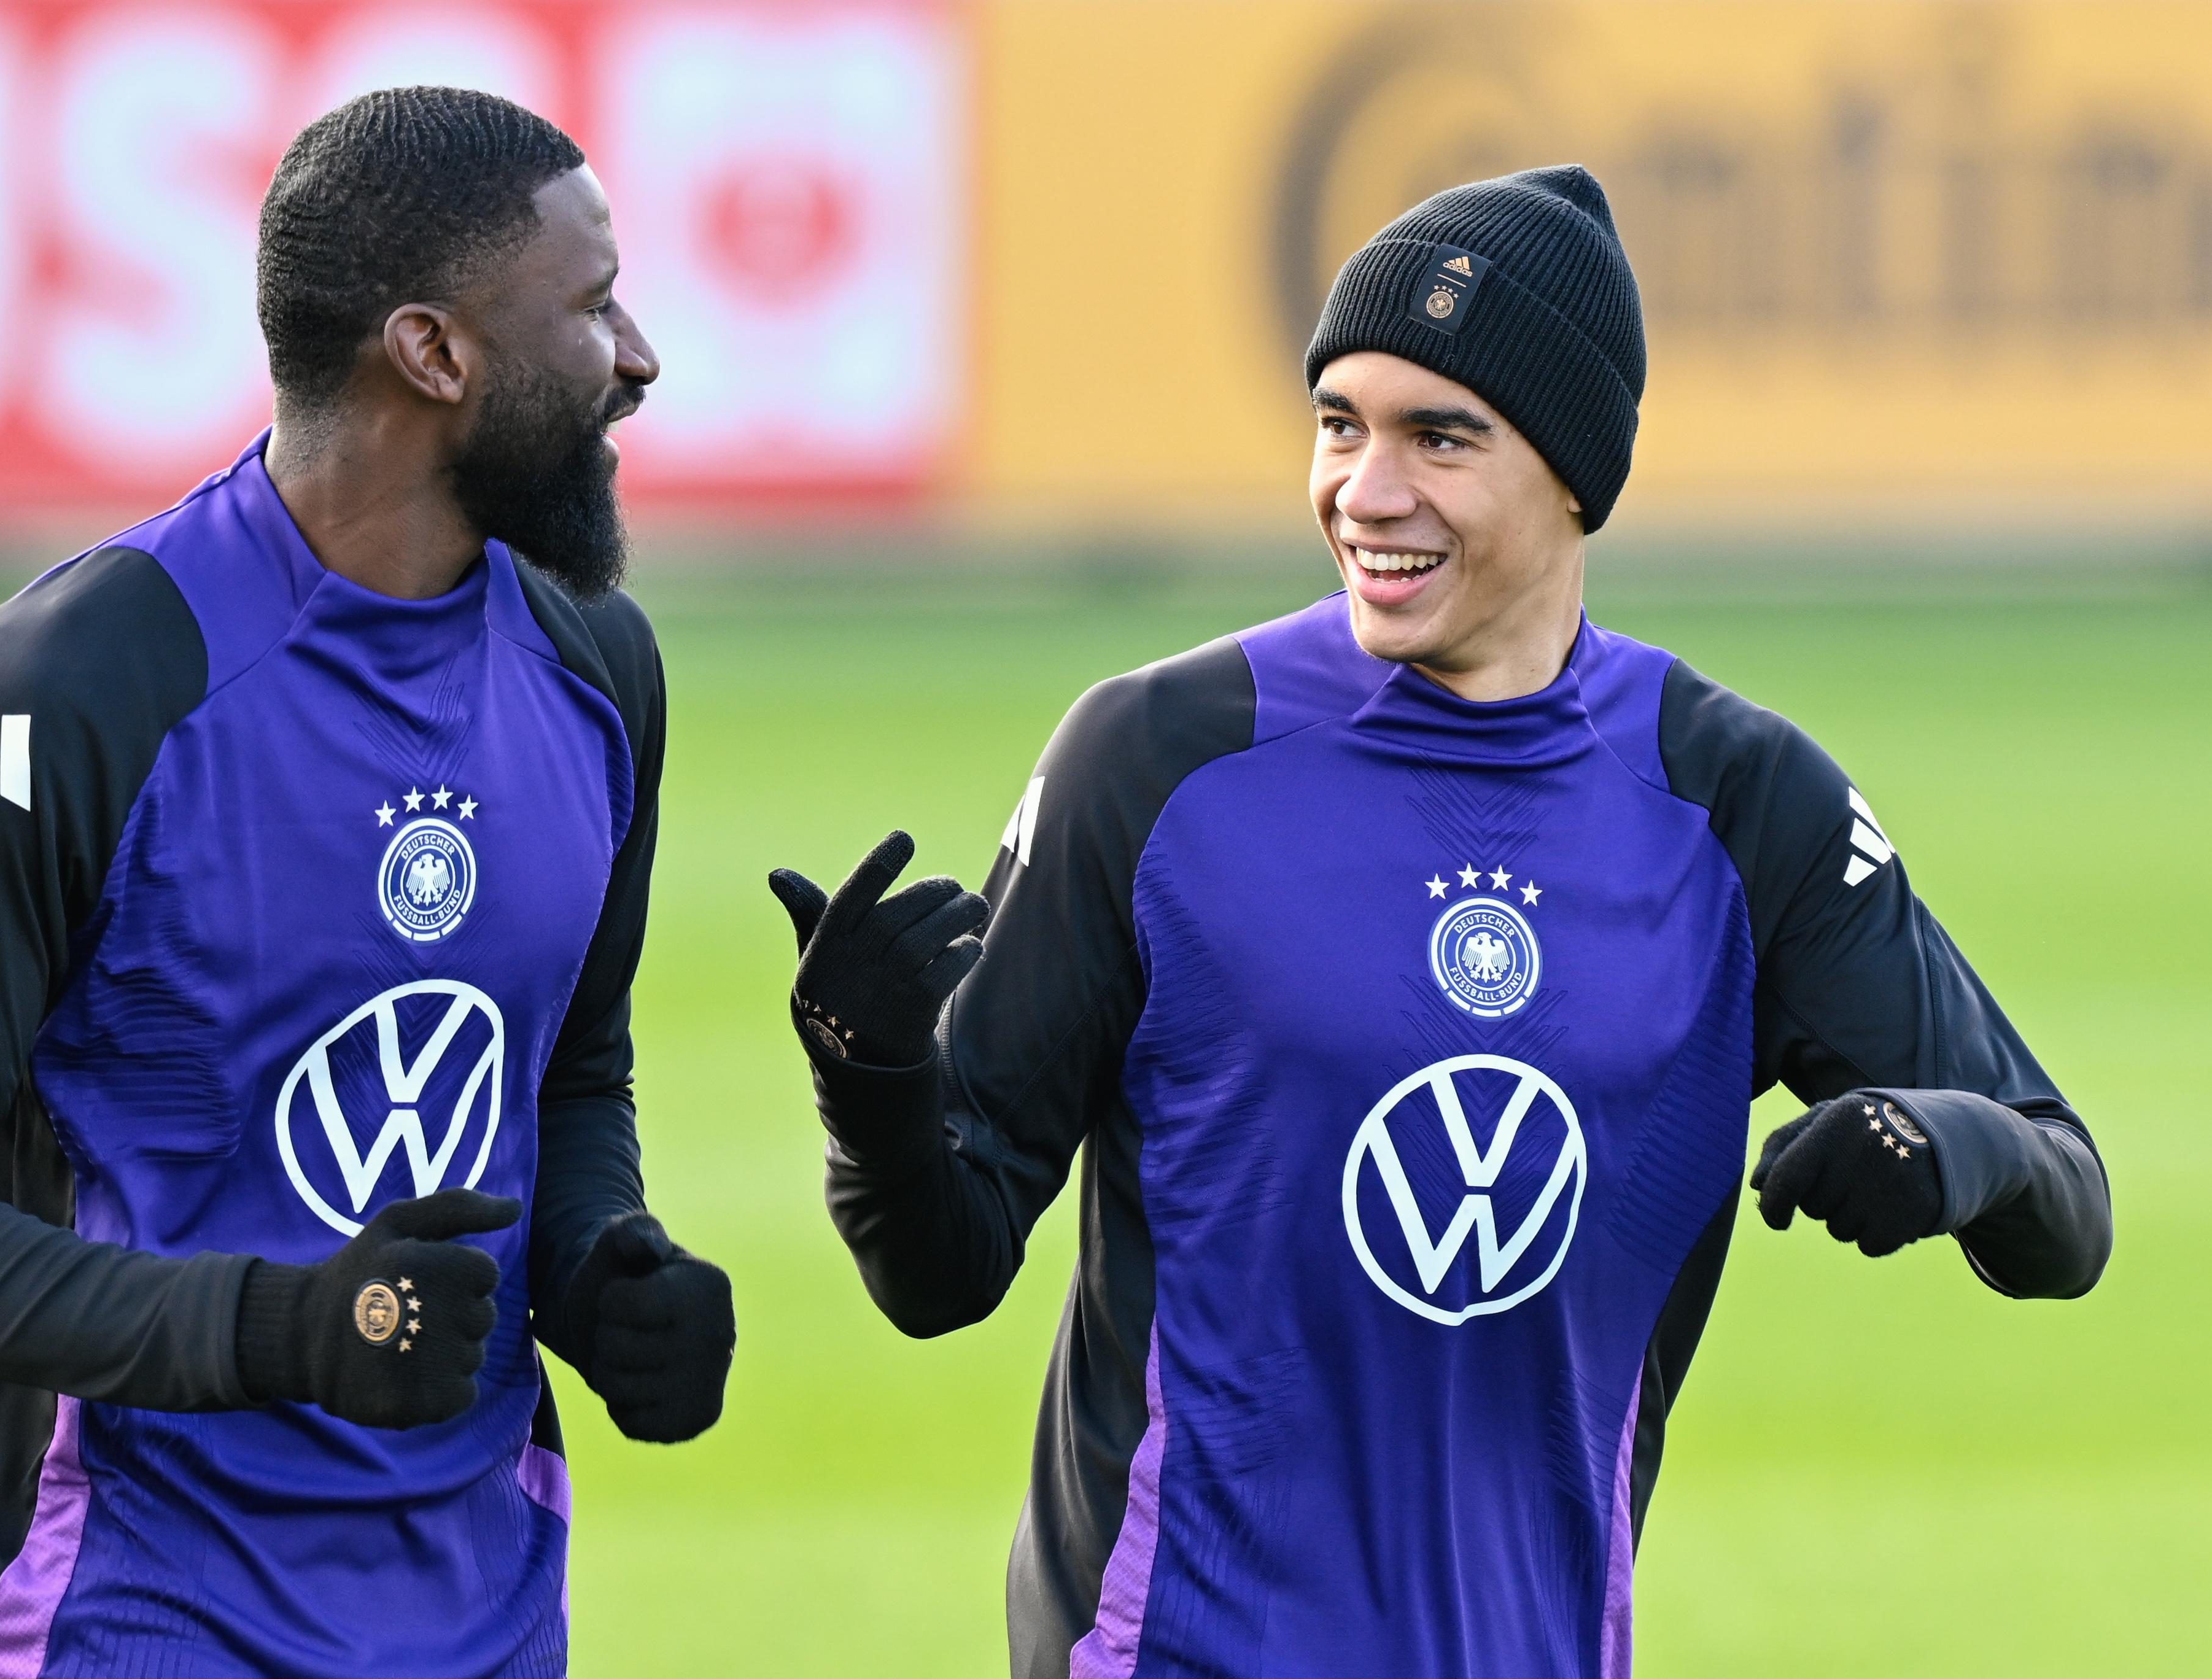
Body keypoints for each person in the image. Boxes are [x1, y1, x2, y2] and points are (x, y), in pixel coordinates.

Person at [767, 165, 2111, 1678]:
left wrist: (1948, 1150)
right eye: (1338, 422)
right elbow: (935, 1272)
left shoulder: (1735, 806)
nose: (1365, 489)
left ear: (1571, 476)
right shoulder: (1154, 760)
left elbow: (2064, 1210)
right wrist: (870, 1088)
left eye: (1438, 437)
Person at [0, 88, 734, 1679]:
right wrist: (282, 1335)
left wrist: (600, 1267)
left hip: (489, 1614)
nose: (634, 355)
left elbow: (567, 1076)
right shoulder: (62, 694)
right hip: (127, 1614)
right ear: (431, 354)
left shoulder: (595, 668)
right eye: (588, 307)